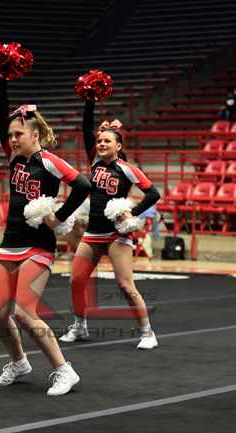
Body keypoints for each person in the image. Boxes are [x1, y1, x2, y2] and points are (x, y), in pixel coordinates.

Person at [0, 75, 91, 396]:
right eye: (10, 135)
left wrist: (59, 217)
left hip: (38, 245)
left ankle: (65, 370)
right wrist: (1, 79)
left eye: (18, 134)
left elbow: (83, 185)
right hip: (10, 242)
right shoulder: (13, 158)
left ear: (35, 135)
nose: (12, 139)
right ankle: (19, 363)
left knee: (23, 311)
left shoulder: (49, 161)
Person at [60, 98, 161, 349]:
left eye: (107, 141)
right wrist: (89, 100)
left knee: (125, 285)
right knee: (76, 280)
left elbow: (153, 194)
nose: (102, 144)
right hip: (93, 233)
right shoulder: (95, 162)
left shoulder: (127, 169)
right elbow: (86, 129)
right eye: (99, 141)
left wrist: (130, 213)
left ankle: (148, 333)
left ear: (118, 145)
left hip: (117, 234)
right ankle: (80, 326)